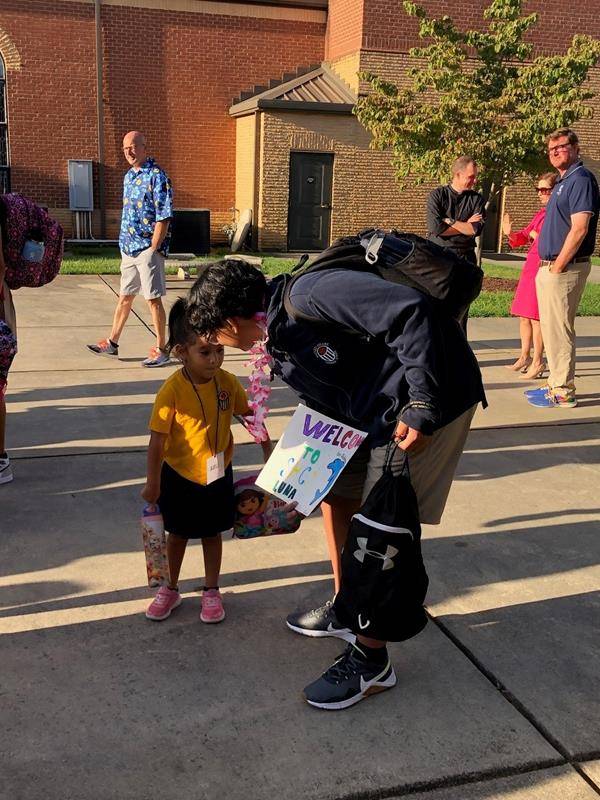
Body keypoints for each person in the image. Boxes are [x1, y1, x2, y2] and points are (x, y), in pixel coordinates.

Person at [185, 257, 486, 710]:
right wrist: (301, 474)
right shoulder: (276, 334)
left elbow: (411, 313)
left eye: (214, 335)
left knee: (379, 532)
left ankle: (372, 661)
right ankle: (349, 604)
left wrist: (422, 402)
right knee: (335, 497)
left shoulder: (311, 295)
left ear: (231, 320)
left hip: (422, 403)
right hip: (364, 412)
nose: (217, 345)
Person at [142, 297, 256, 623]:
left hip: (218, 473)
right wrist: (152, 484)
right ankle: (170, 588)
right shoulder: (171, 391)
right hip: (179, 475)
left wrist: (267, 450)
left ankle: (211, 589)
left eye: (219, 350)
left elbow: (248, 416)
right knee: (176, 535)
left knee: (212, 534)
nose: (215, 359)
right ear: (182, 352)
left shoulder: (228, 383)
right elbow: (156, 441)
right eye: (205, 352)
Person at [527, 129, 599, 408]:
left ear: (576, 148)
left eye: (561, 146)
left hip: (565, 268)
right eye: (551, 148)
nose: (555, 151)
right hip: (550, 267)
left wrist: (557, 266)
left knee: (560, 330)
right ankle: (554, 382)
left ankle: (564, 391)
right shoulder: (562, 181)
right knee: (551, 328)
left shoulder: (581, 180)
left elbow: (580, 228)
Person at [88, 131, 173, 367]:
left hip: (147, 249)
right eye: (125, 149)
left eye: (133, 147)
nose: (129, 152)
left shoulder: (157, 176)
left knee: (153, 299)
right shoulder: (129, 177)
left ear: (145, 147)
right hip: (128, 248)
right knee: (125, 297)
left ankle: (162, 349)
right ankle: (112, 343)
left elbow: (163, 216)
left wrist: (154, 249)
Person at [502, 172, 557, 380]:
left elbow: (549, 240)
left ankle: (538, 362)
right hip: (530, 267)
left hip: (543, 267)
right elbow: (525, 235)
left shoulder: (557, 214)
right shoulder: (541, 214)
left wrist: (535, 236)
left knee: (536, 318)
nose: (540, 194)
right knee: (524, 316)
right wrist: (510, 233)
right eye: (538, 189)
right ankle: (524, 356)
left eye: (545, 190)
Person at [427, 156, 486, 332]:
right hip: (439, 256)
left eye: (475, 176)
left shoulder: (476, 199)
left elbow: (475, 230)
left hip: (465, 258)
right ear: (458, 174)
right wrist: (464, 224)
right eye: (471, 177)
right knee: (436, 304)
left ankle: (458, 353)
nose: (474, 181)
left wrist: (449, 221)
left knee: (462, 308)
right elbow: (436, 228)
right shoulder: (437, 196)